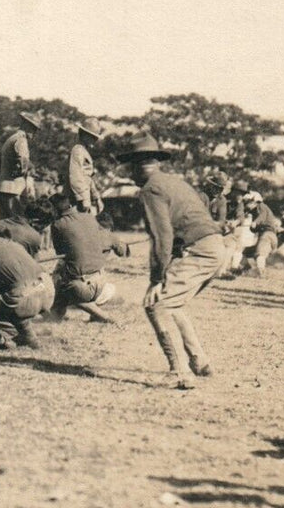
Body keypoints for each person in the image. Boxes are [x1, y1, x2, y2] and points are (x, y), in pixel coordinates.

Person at [121, 133, 226, 386]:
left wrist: (157, 279)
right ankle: (200, 362)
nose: (130, 172)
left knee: (156, 304)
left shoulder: (150, 189)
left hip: (200, 249)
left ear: (138, 165)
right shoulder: (173, 182)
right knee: (173, 304)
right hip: (215, 247)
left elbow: (162, 237)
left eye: (131, 165)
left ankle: (179, 372)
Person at [46, 190, 128, 323]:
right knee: (67, 281)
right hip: (101, 280)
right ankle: (56, 315)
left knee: (61, 279)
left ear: (55, 210)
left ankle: (104, 317)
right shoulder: (89, 217)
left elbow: (60, 252)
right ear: (70, 205)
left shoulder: (57, 225)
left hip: (82, 287)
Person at [0, 111, 38, 219]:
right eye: (33, 128)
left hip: (4, 187)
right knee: (17, 222)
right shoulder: (21, 140)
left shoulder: (12, 138)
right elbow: (23, 162)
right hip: (14, 188)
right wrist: (29, 167)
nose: (35, 132)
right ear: (26, 125)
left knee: (6, 223)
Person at [63, 117, 105, 213]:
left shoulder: (83, 151)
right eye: (92, 137)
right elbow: (76, 175)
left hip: (83, 197)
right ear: (84, 135)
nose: (95, 140)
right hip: (76, 199)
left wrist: (96, 197)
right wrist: (83, 198)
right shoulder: (77, 150)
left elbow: (88, 178)